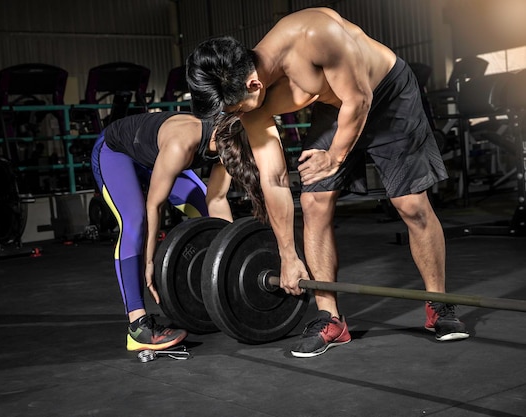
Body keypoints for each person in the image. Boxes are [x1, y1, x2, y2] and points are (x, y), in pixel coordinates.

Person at [186, 7, 469, 358]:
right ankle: (330, 318)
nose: (238, 116)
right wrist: (288, 255)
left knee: (410, 204)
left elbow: (360, 98)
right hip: (336, 107)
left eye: (238, 109)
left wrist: (333, 157)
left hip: (386, 93)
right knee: (314, 201)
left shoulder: (315, 36)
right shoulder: (251, 102)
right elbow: (273, 178)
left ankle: (438, 304)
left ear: (253, 84)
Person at [91, 111, 233, 352]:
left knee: (206, 207)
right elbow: (154, 205)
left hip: (153, 154)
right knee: (135, 221)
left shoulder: (231, 139)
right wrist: (149, 261)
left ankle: (217, 297)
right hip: (115, 151)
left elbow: (217, 201)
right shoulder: (182, 144)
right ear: (216, 138)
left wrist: (232, 264)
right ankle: (138, 326)